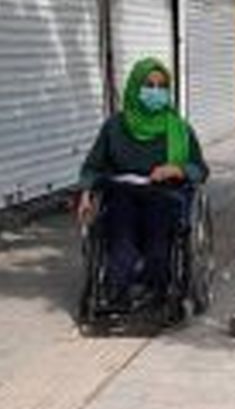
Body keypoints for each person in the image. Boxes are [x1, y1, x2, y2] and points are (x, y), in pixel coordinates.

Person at [76, 57, 207, 315]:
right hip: (121, 192)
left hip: (164, 192)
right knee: (121, 224)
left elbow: (200, 169)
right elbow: (92, 166)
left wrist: (176, 168)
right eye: (149, 85)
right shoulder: (114, 127)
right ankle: (117, 289)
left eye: (161, 86)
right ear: (136, 87)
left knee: (157, 224)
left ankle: (157, 285)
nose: (155, 92)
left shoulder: (179, 128)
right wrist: (86, 193)